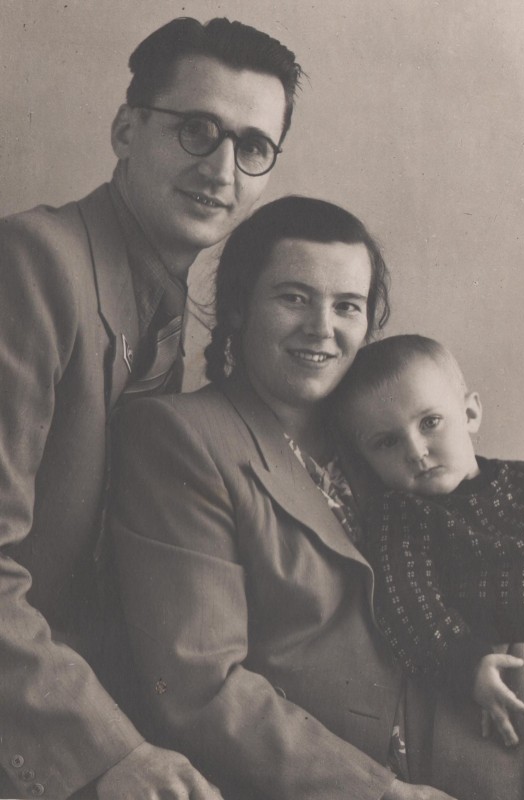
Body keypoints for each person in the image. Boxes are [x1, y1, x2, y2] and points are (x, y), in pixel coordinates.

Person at [0, 16, 301, 800]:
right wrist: (110, 755)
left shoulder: (168, 309)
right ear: (126, 130)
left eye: (252, 146)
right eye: (196, 130)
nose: (221, 170)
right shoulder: (34, 264)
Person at [109, 195, 469, 800]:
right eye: (294, 298)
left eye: (347, 306)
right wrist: (381, 793)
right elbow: (202, 688)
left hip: (463, 737)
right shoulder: (178, 436)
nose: (322, 328)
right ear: (239, 307)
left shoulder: (379, 433)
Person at [331, 333, 524, 800]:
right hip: (479, 666)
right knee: (492, 778)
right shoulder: (401, 516)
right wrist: (466, 665)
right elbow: (405, 601)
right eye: (387, 442)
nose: (416, 450)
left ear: (470, 413)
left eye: (430, 422)